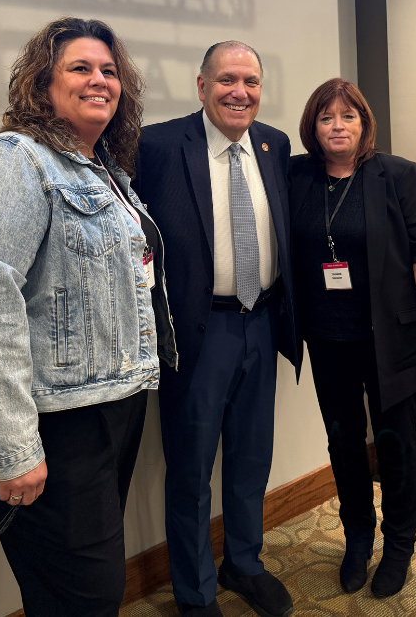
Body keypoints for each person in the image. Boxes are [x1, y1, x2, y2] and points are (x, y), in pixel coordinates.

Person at [0, 17, 177, 617]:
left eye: (109, 70)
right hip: (52, 422)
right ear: (42, 83)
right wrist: (14, 448)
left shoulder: (104, 171)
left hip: (108, 406)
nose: (100, 80)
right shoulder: (12, 162)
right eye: (80, 68)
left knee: (80, 592)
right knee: (84, 597)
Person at [131, 41, 300, 617]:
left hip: (262, 323)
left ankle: (244, 563)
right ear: (202, 86)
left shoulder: (274, 145)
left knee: (252, 458)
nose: (240, 92)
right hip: (198, 334)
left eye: (251, 81)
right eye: (227, 80)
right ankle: (196, 591)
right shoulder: (156, 145)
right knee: (191, 469)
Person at [287, 78, 416, 599]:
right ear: (312, 127)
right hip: (327, 336)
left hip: (391, 339)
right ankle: (357, 536)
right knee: (343, 441)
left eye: (348, 116)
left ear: (364, 123)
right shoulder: (296, 175)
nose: (337, 126)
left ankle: (399, 543)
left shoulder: (397, 174)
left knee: (395, 443)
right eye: (326, 118)